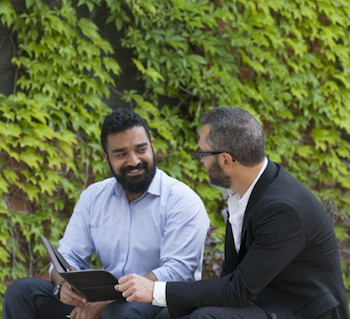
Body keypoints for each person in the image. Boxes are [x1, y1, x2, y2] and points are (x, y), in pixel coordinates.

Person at [115, 106, 350, 319]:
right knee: (168, 315)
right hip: (263, 300)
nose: (201, 162)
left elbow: (238, 289)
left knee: (203, 318)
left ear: (226, 160)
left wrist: (156, 290)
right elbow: (231, 281)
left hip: (301, 311)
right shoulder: (245, 191)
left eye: (202, 155)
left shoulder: (282, 209)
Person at [3, 108, 210, 319]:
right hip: (103, 301)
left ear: (152, 146)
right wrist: (65, 285)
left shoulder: (181, 200)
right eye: (121, 154)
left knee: (121, 312)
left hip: (157, 302)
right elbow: (68, 255)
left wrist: (110, 299)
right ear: (106, 157)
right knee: (22, 292)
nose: (134, 160)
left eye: (141, 149)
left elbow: (177, 271)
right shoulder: (94, 197)